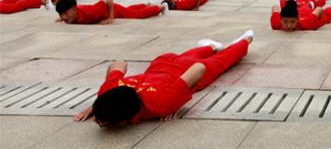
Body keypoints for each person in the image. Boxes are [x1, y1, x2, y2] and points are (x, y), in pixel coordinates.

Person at [74, 30, 254, 126]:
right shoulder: (110, 90)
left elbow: (198, 69)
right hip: (161, 62)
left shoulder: (160, 104)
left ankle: (244, 41)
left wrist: (176, 102)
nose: (96, 120)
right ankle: (208, 46)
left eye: (100, 121)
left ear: (123, 121)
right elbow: (119, 63)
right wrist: (101, 101)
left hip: (183, 70)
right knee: (186, 56)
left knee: (221, 60)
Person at [55, 0, 166, 24]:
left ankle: (158, 8)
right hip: (108, 10)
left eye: (65, 14)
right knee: (128, 10)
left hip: (112, 9)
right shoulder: (71, 15)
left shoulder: (91, 11)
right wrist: (61, 17)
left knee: (136, 15)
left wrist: (111, 17)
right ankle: (144, 4)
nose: (64, 18)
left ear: (74, 9)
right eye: (61, 15)